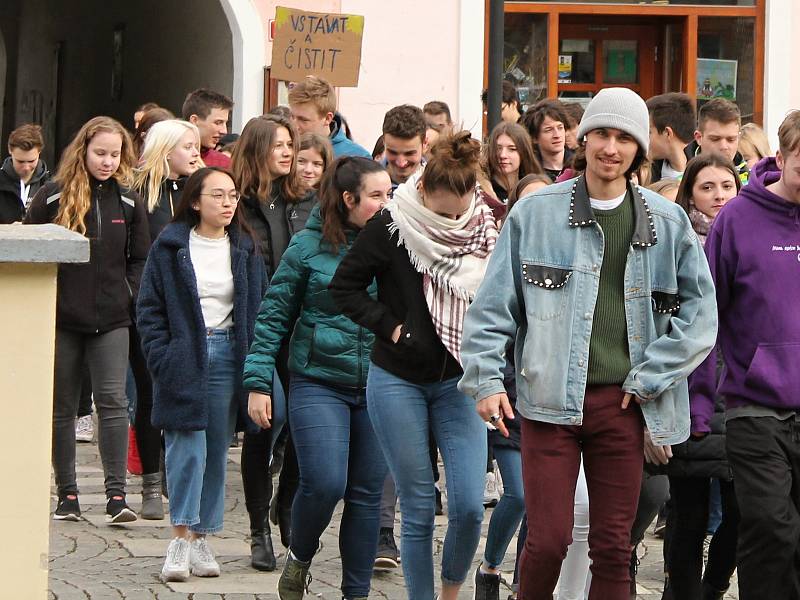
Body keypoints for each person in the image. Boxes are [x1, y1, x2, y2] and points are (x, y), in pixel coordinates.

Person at [459, 88, 718, 599]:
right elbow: (493, 306)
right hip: (549, 400)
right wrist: (486, 379)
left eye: (625, 138)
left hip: (624, 402)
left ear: (640, 149)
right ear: (584, 139)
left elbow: (701, 316)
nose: (611, 147)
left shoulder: (668, 224)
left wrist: (651, 376)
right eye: (602, 133)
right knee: (549, 540)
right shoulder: (536, 215)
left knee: (613, 546)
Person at [331, 131, 496, 600]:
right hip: (397, 379)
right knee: (419, 503)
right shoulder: (391, 225)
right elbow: (344, 288)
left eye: (458, 211)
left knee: (467, 506)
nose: (451, 220)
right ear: (423, 190)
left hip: (460, 379)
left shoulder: (484, 225)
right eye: (442, 213)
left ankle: (450, 591)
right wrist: (390, 325)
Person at [245, 157, 392, 600]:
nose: (388, 204)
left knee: (367, 494)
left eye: (391, 194)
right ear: (349, 200)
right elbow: (272, 317)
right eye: (377, 196)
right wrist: (257, 381)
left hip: (381, 385)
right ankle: (301, 558)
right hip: (318, 379)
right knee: (326, 481)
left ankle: (356, 593)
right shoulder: (307, 248)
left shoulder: (397, 245)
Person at [136, 167, 264, 582]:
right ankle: (179, 538)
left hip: (229, 352)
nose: (228, 204)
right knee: (184, 446)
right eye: (218, 196)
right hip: (185, 354)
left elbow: (259, 307)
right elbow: (149, 309)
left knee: (214, 448)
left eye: (232, 196)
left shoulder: (244, 246)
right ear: (195, 201)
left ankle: (203, 534)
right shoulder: (170, 246)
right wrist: (163, 354)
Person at [25, 116, 151, 524]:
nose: (108, 162)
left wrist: (128, 293)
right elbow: (32, 249)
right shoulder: (51, 196)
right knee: (63, 407)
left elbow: (139, 257)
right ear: (84, 151)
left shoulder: (128, 201)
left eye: (115, 154)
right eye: (100, 153)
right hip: (64, 318)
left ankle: (117, 496)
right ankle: (68, 494)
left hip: (112, 318)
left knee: (113, 402)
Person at [696, 110, 800, 599]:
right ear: (781, 159)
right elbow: (704, 318)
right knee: (770, 528)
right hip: (754, 406)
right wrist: (695, 407)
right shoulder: (738, 219)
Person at [654, 154, 742, 600]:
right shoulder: (675, 241)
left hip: (740, 390)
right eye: (707, 187)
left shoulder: (746, 237)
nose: (718, 196)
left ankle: (714, 588)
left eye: (726, 185)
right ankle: (683, 593)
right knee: (687, 513)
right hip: (689, 390)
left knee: (741, 512)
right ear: (690, 193)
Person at [232, 114, 314, 571]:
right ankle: (258, 525)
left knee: (303, 426)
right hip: (259, 331)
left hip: (304, 331)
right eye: (279, 145)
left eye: (291, 144)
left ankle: (286, 504)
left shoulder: (304, 203)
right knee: (265, 423)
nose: (288, 153)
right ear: (257, 149)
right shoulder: (237, 204)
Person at [130, 119, 203, 519]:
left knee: (180, 390)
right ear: (165, 149)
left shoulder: (197, 192)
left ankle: (179, 478)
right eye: (187, 146)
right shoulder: (140, 194)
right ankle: (150, 482)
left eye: (196, 146)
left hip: (189, 306)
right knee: (147, 391)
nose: (195, 152)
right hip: (150, 307)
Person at [288, 75, 371, 158]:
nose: (294, 126)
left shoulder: (357, 157)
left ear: (327, 118)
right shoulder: (286, 151)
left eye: (303, 120)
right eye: (292, 117)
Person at [686, 98, 748, 184]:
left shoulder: (753, 183)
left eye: (731, 139)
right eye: (715, 139)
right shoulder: (680, 180)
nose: (723, 146)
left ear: (739, 138)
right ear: (699, 138)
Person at [0, 123, 50, 223]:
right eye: (20, 161)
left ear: (39, 152)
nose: (26, 168)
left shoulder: (51, 184)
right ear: (10, 151)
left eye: (31, 161)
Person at [483, 121, 542, 203]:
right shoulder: (481, 190)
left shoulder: (534, 187)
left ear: (523, 152)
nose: (503, 155)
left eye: (512, 149)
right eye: (498, 148)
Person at [646, 93, 696, 183]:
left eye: (649, 132)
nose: (643, 138)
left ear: (667, 133)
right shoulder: (644, 172)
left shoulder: (703, 171)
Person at [522, 99, 575, 183]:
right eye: (548, 130)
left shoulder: (578, 165)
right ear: (535, 138)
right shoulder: (527, 169)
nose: (557, 135)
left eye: (560, 128)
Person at [182, 88, 234, 168]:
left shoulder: (225, 164)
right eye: (218, 123)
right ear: (194, 120)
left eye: (225, 123)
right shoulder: (166, 160)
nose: (224, 131)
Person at [382, 104, 427, 188]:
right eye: (393, 152)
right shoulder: (364, 185)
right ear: (384, 142)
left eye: (409, 153)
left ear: (425, 144)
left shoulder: (441, 184)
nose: (401, 163)